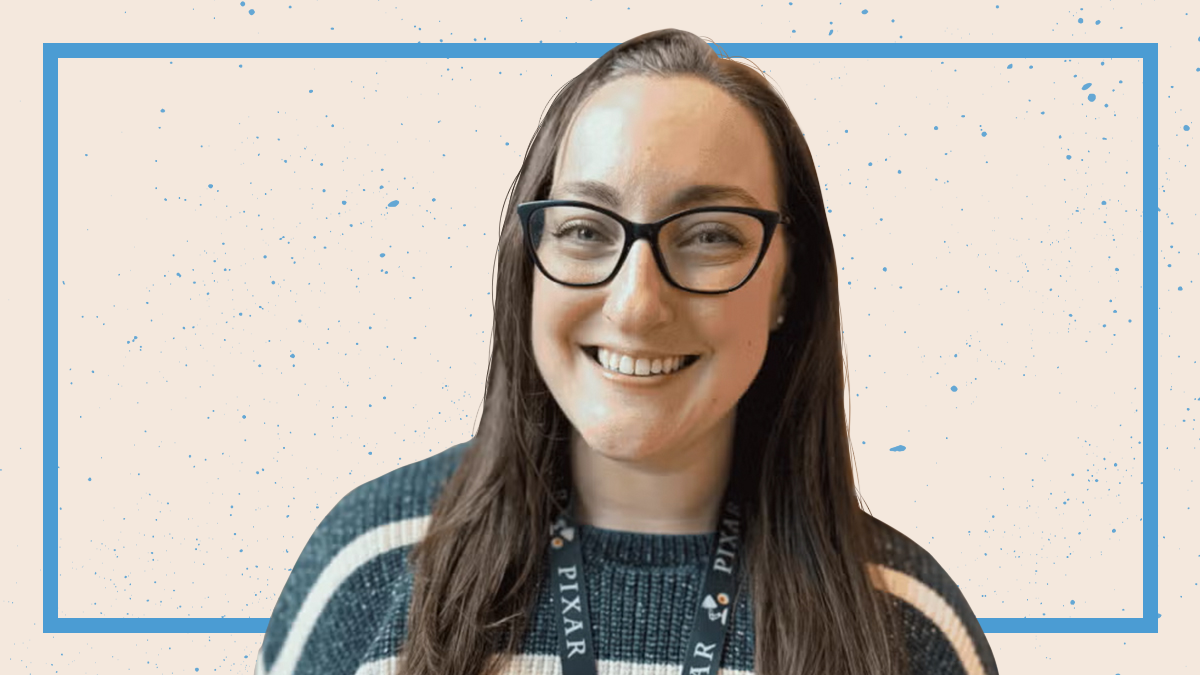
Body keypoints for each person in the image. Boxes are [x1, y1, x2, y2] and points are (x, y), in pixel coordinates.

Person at [254, 28, 999, 675]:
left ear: (786, 283)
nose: (637, 305)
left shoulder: (907, 625)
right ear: (529, 261)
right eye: (585, 228)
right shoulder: (369, 565)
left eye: (710, 234)